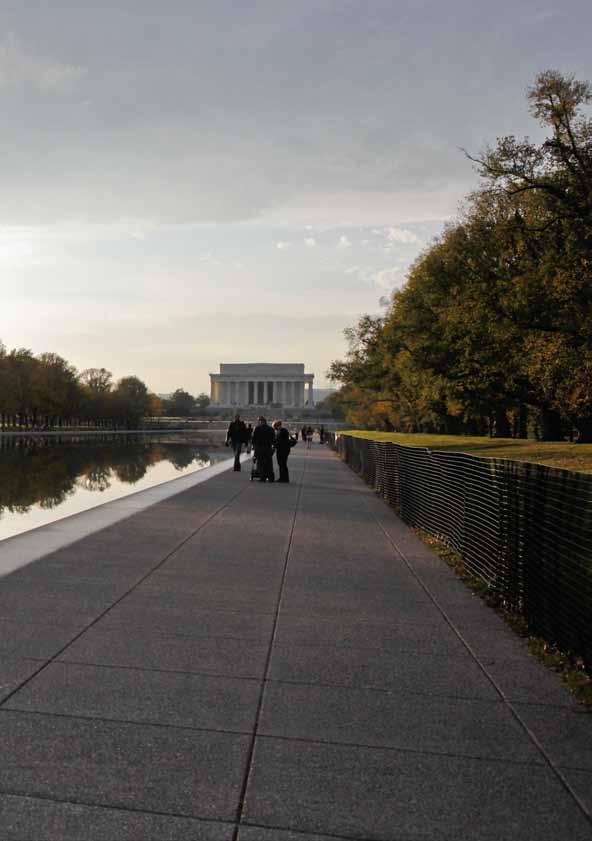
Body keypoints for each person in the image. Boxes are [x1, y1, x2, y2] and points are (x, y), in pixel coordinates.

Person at [252, 416, 275, 482]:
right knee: (269, 463)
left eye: (259, 421)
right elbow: (273, 439)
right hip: (268, 447)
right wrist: (273, 448)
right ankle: (270, 477)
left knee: (260, 463)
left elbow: (254, 439)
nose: (258, 422)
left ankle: (262, 477)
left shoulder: (257, 428)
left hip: (260, 448)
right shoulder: (271, 429)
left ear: (261, 421)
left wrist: (254, 446)